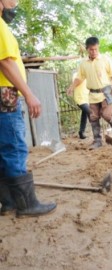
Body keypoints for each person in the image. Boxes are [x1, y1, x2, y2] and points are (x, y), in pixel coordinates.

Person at [0, 0, 56, 217]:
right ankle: (26, 205)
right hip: (6, 93)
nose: (16, 2)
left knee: (4, 149)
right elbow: (5, 62)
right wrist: (29, 93)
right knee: (14, 147)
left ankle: (9, 202)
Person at [67, 36, 112, 149]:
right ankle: (97, 141)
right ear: (87, 49)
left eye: (96, 49)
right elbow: (79, 78)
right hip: (92, 94)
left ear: (98, 47)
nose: (94, 51)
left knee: (106, 115)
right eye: (91, 49)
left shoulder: (105, 60)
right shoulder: (83, 64)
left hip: (106, 92)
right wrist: (72, 87)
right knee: (93, 118)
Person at [69, 72, 90, 139]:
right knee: (90, 113)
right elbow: (78, 82)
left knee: (85, 114)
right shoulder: (76, 74)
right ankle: (96, 134)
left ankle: (81, 132)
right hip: (80, 98)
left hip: (86, 98)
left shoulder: (87, 74)